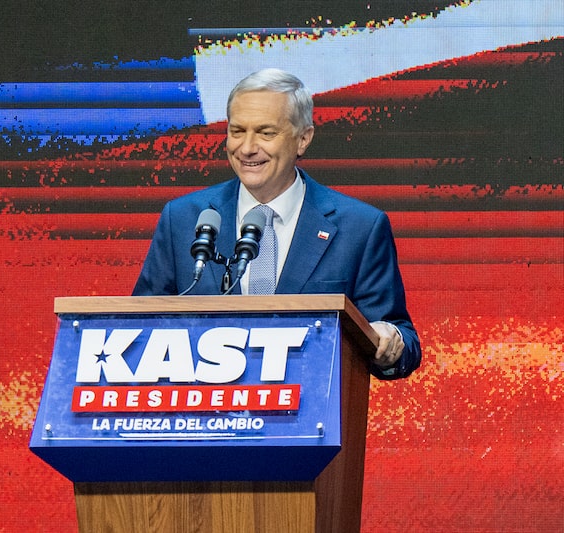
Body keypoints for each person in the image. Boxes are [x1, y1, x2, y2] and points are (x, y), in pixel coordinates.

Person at [133, 68, 421, 379]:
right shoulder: (185, 218)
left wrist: (387, 339)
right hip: (203, 415)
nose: (247, 148)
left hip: (307, 416)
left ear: (303, 139)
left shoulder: (360, 227)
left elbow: (400, 340)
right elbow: (134, 329)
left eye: (266, 133)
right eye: (237, 131)